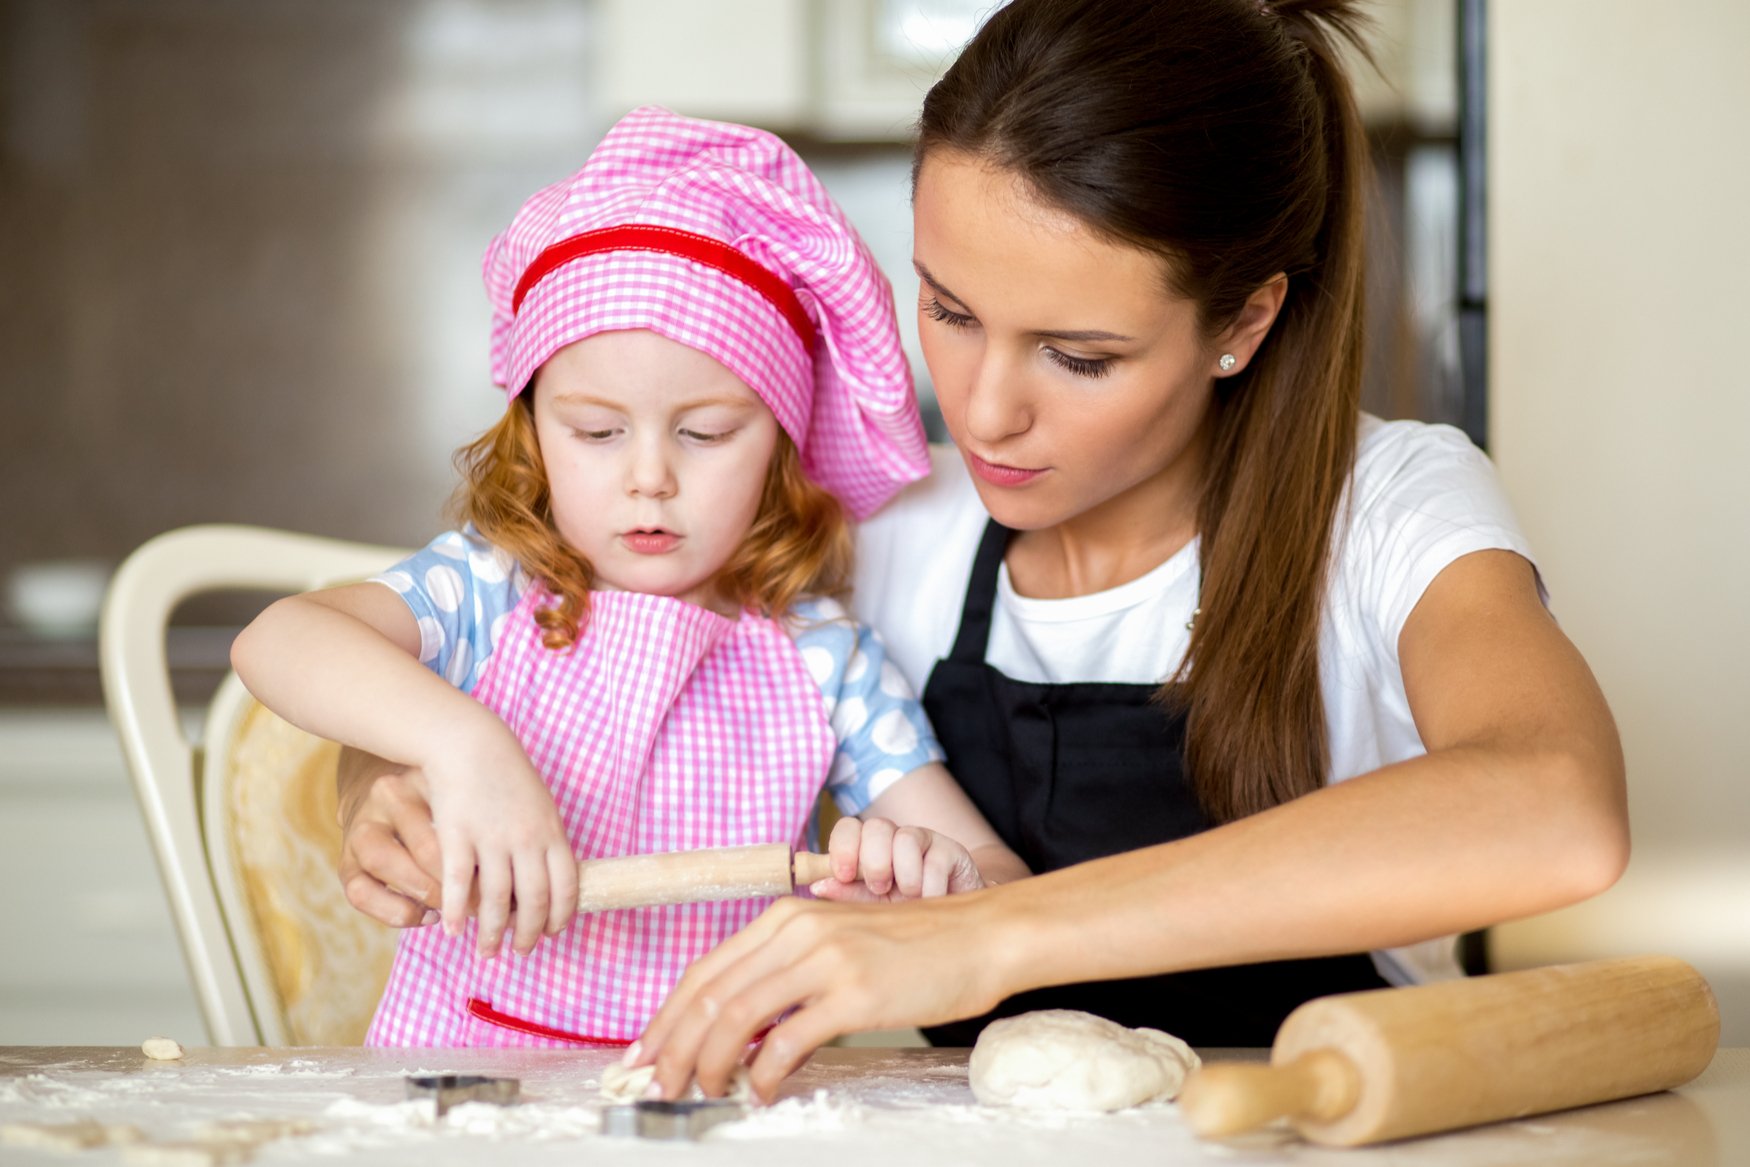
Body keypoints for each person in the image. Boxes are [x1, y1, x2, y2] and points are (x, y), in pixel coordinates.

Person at [335, 0, 1628, 1091]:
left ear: (1242, 321)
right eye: (947, 309)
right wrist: (387, 776)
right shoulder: (890, 535)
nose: (984, 405)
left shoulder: (1389, 509)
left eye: (1078, 355)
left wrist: (987, 936)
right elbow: (548, 642)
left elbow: (1554, 804)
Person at [231, 106, 1027, 1047]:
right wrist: (465, 744)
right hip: (470, 1093)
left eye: (705, 432)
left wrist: (932, 870)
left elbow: (1002, 885)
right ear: (534, 430)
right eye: (598, 431)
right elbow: (273, 639)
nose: (649, 475)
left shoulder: (824, 659)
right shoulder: (490, 591)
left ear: (781, 444)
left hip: (729, 1107)